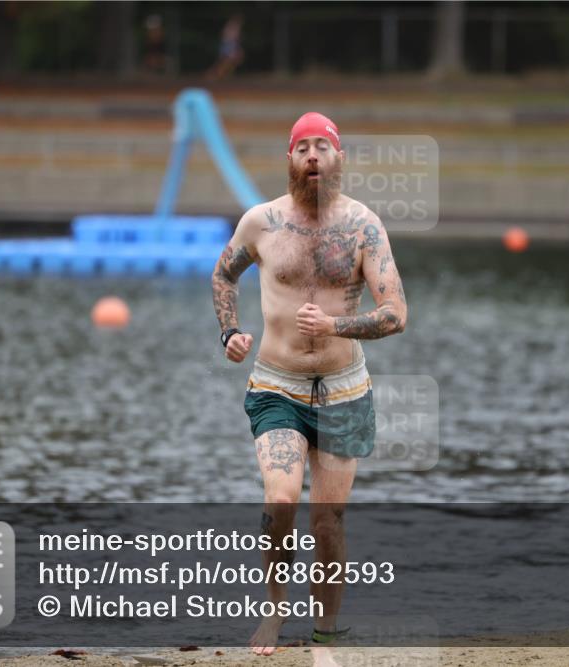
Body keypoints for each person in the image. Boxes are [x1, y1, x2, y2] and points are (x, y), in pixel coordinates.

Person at [211, 112, 407, 661]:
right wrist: (229, 330)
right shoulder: (261, 222)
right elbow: (224, 274)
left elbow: (396, 313)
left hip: (345, 391)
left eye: (324, 146)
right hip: (276, 385)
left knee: (328, 522)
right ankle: (273, 610)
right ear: (291, 160)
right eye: (303, 148)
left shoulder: (364, 227)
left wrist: (335, 325)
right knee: (280, 501)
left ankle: (325, 635)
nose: (314, 156)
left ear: (340, 157)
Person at [207, 14, 244, 80]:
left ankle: (222, 74)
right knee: (226, 61)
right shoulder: (232, 25)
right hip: (228, 44)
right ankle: (215, 75)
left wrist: (237, 46)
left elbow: (234, 37)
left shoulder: (234, 25)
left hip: (230, 45)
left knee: (232, 60)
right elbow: (227, 35)